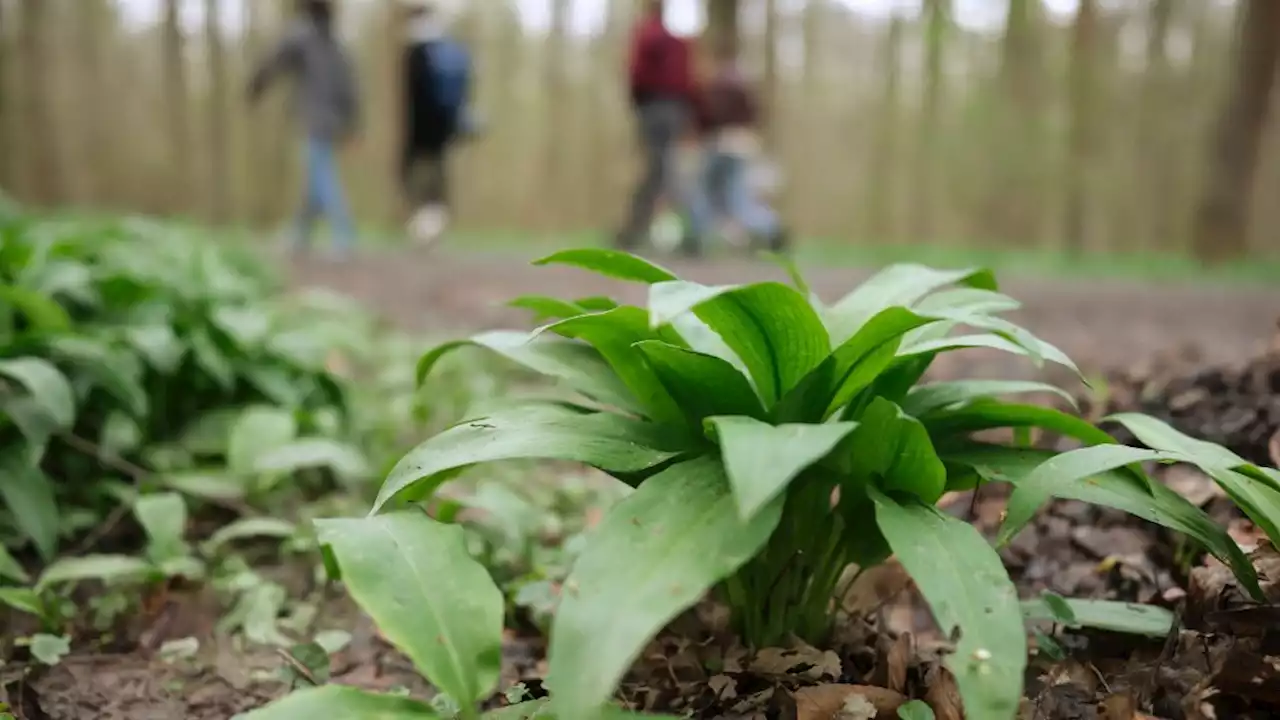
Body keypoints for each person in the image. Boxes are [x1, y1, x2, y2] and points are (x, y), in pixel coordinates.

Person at [248, 0, 361, 259]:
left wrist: (256, 85)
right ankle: (300, 235)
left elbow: (276, 60)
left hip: (314, 118)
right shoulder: (336, 44)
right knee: (314, 177)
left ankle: (343, 235)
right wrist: (353, 124)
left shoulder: (302, 35)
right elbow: (351, 88)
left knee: (322, 176)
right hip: (335, 120)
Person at [688, 38, 789, 253]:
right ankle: (771, 227)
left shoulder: (717, 85)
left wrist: (699, 130)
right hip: (743, 143)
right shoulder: (744, 83)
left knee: (711, 194)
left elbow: (709, 115)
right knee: (736, 196)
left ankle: (697, 237)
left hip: (721, 142)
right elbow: (756, 114)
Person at [615, 0, 699, 254]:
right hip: (674, 108)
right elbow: (688, 79)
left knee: (660, 171)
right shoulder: (679, 42)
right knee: (664, 170)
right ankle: (689, 232)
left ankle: (635, 232)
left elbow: (636, 72)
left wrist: (637, 101)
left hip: (654, 107)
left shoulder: (648, 35)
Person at [401, 0, 474, 246]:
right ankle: (433, 226)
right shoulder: (444, 50)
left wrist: (409, 141)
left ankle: (426, 230)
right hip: (443, 130)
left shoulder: (416, 53)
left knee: (419, 180)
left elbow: (414, 101)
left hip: (421, 133)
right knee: (436, 180)